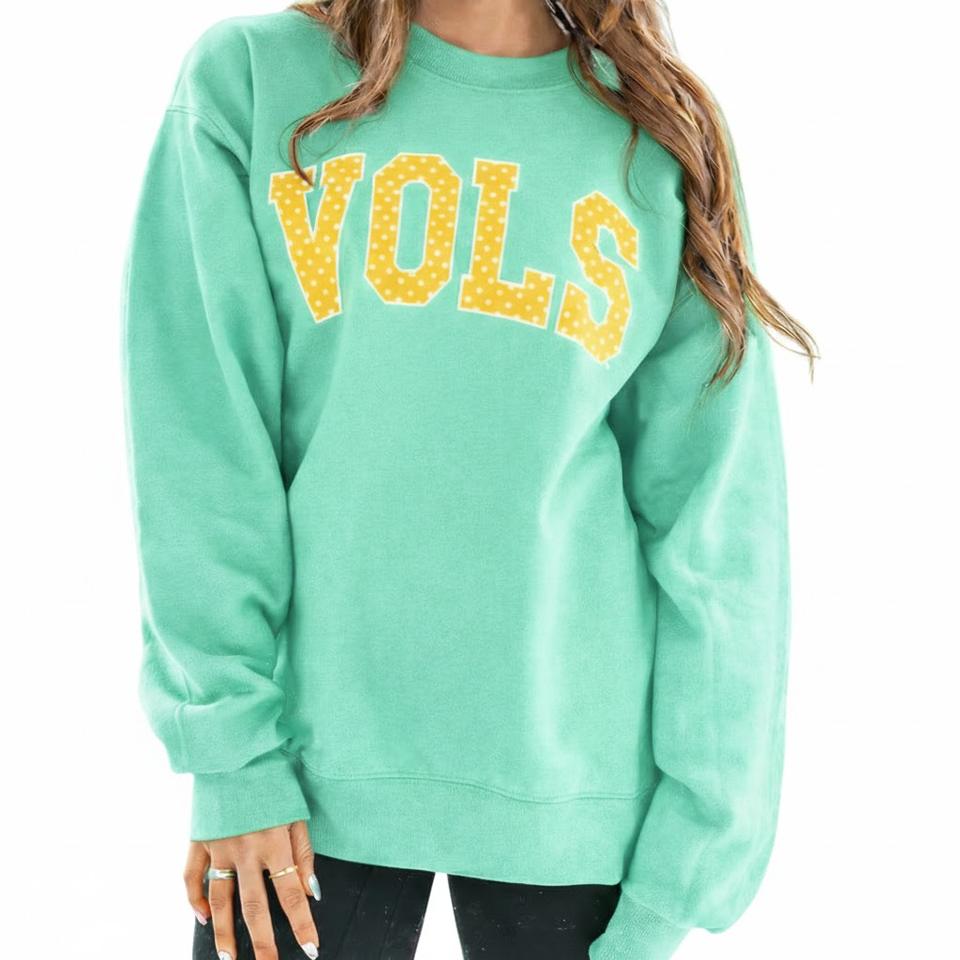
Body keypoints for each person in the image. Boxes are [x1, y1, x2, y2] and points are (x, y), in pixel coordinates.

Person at [120, 1, 816, 958]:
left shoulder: (658, 132)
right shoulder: (252, 83)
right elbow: (200, 442)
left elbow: (720, 524)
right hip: (301, 786)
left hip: (576, 798)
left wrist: (690, 862)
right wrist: (232, 755)